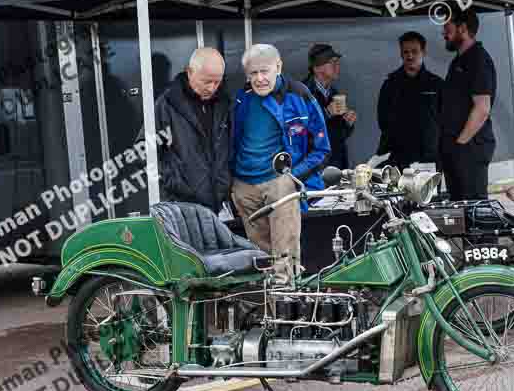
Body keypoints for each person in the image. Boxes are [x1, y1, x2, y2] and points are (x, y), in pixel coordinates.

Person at [230, 44, 331, 277]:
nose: (259, 78)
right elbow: (229, 142)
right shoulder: (240, 98)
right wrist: (233, 183)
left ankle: (287, 310)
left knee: (284, 263)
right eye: (253, 73)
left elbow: (323, 149)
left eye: (264, 71)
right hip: (244, 186)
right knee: (259, 262)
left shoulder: (300, 94)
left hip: (281, 184)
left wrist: (293, 177)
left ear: (279, 67)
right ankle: (263, 311)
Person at [136, 47, 232, 214]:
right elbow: (143, 150)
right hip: (181, 204)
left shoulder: (224, 103)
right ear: (189, 72)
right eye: (206, 81)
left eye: (217, 82)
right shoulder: (167, 104)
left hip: (218, 203)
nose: (211, 88)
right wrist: (172, 179)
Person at [439, 6, 497, 201]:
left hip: (470, 148)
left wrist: (460, 145)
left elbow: (482, 108)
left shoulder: (477, 60)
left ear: (462, 28)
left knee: (473, 208)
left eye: (447, 29)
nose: (443, 34)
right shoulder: (458, 61)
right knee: (459, 210)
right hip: (456, 147)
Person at [376, 31, 443, 171]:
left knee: (430, 193)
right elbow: (382, 120)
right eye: (406, 52)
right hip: (398, 157)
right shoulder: (390, 84)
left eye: (414, 51)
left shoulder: (437, 84)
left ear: (423, 52)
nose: (410, 56)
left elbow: (446, 120)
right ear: (401, 54)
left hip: (429, 157)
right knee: (396, 194)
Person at [303, 44, 356, 170]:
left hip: (336, 165)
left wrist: (348, 123)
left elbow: (340, 135)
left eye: (337, 62)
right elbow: (299, 132)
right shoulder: (302, 94)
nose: (337, 66)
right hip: (314, 167)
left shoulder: (334, 94)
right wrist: (326, 113)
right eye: (332, 63)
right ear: (316, 68)